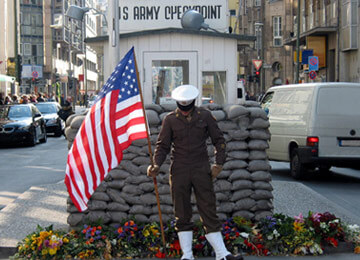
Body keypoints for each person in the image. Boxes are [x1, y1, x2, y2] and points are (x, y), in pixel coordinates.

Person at [147, 85, 243, 260]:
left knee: (208, 208)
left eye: (187, 107)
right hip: (179, 169)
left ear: (193, 104)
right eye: (181, 107)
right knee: (181, 211)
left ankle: (222, 254)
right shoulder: (170, 120)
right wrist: (156, 164)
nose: (184, 112)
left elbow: (219, 140)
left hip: (201, 168)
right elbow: (162, 146)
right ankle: (187, 255)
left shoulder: (205, 116)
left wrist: (218, 164)